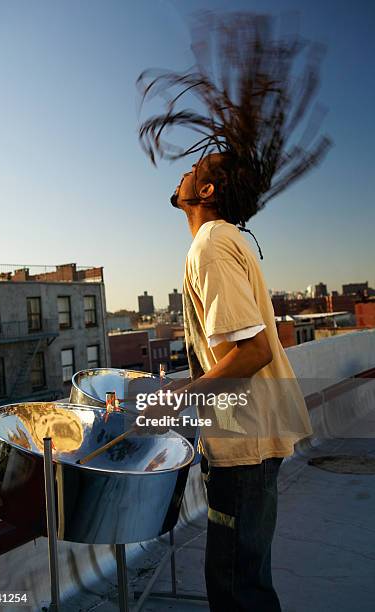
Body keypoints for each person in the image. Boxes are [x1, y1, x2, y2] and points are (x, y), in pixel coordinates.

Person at [136, 12, 331, 610]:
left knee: (237, 588)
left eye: (196, 168)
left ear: (208, 192)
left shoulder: (213, 243)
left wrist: (180, 396)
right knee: (242, 579)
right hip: (254, 437)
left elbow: (252, 351)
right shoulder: (228, 240)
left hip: (245, 442)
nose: (186, 168)